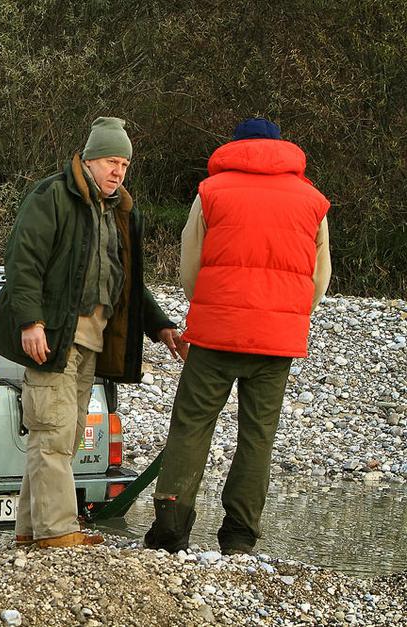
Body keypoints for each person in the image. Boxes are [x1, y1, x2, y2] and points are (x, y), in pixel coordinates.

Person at [0, 117, 184, 549]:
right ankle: (57, 533)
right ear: (90, 160)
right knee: (52, 432)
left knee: (62, 437)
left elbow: (127, 285)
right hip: (52, 337)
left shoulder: (119, 214)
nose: (118, 171)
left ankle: (29, 531)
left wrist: (161, 325)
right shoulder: (52, 196)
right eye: (112, 161)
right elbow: (23, 262)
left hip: (91, 341)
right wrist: (30, 323)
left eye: (125, 164)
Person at [143, 117, 331, 555]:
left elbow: (192, 264)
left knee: (191, 426)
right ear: (282, 149)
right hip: (277, 338)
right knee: (257, 436)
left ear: (235, 148)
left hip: (216, 333)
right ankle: (240, 538)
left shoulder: (211, 192)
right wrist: (291, 313)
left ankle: (171, 530)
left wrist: (204, 304)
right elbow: (320, 276)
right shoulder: (312, 200)